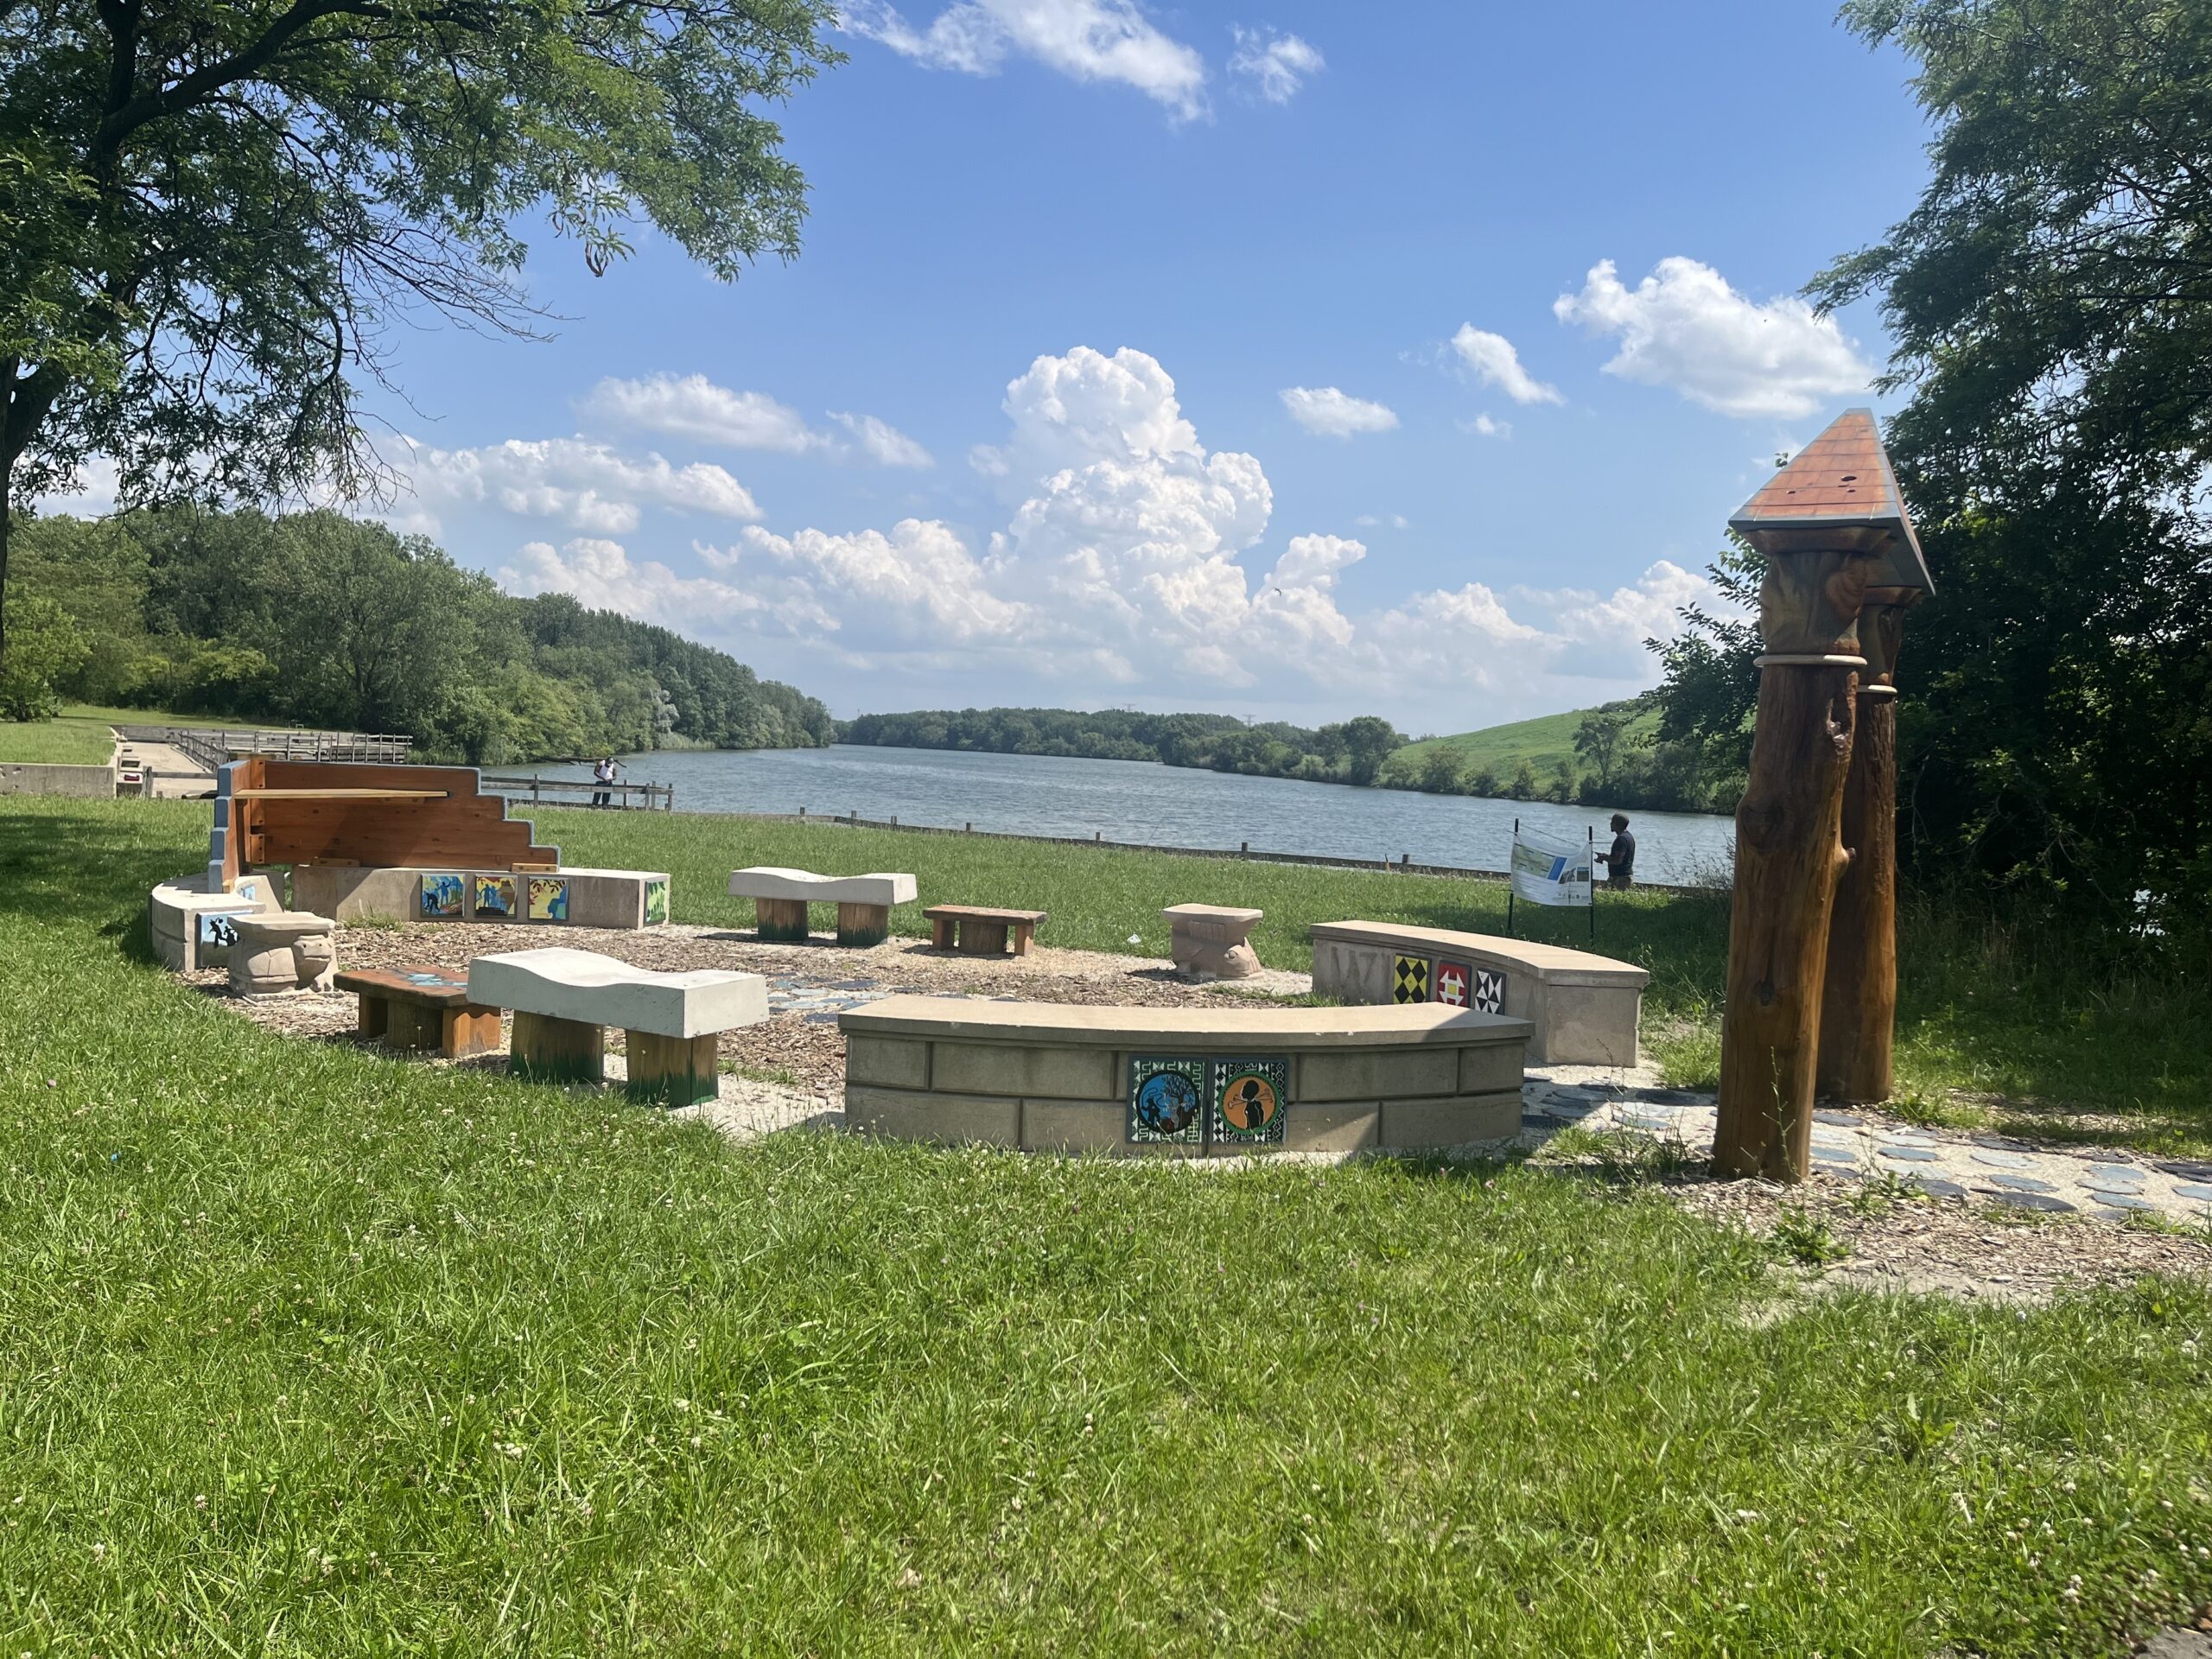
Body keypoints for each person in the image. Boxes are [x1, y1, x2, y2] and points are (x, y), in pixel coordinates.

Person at [1594, 813, 1635, 889]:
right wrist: (1605, 856)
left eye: (1612, 822)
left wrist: (1604, 858)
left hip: (1621, 878)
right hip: (1623, 876)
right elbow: (1620, 858)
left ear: (1617, 824)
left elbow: (1618, 860)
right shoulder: (1629, 837)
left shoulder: (1621, 839)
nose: (1610, 824)